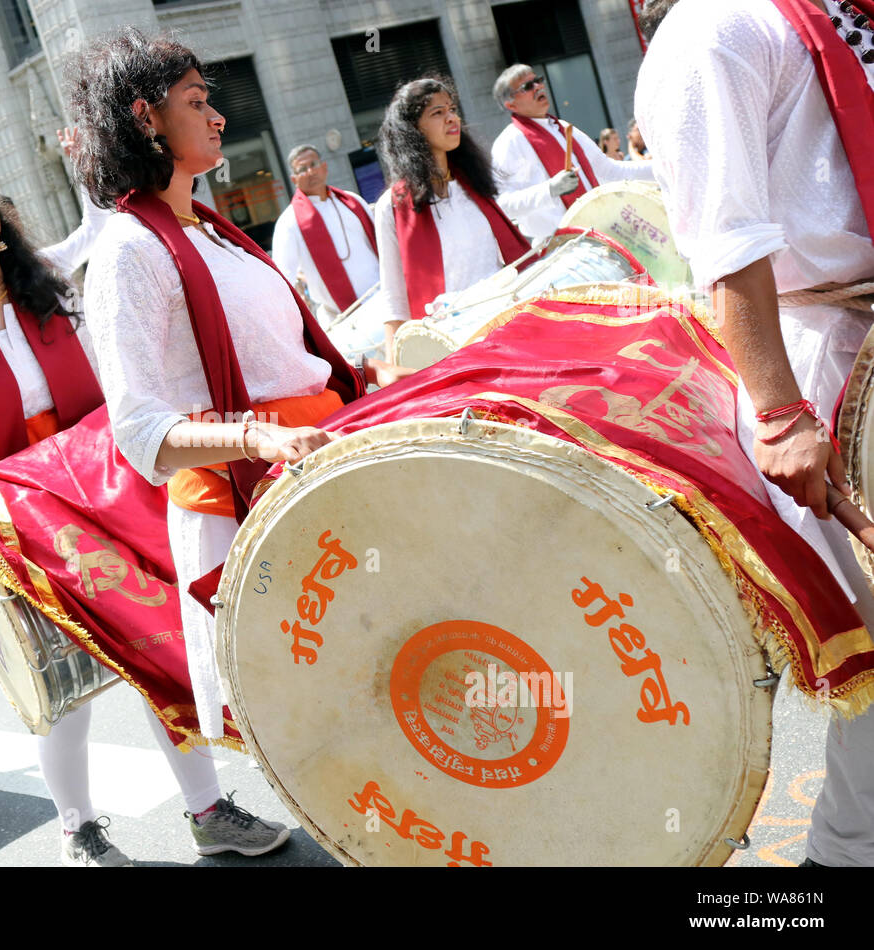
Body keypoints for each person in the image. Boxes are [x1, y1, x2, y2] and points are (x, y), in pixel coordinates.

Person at [0, 166, 283, 867]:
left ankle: (208, 811)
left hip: (114, 489)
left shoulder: (63, 293)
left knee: (159, 649)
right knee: (61, 687)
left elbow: (132, 384)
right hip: (20, 522)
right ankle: (80, 828)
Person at [71, 26, 414, 840]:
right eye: (197, 103)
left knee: (393, 679)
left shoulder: (216, 230)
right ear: (146, 118)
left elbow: (290, 360)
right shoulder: (128, 250)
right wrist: (260, 440)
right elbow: (140, 429)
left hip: (320, 472)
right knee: (328, 719)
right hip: (248, 500)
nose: (219, 117)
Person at [636, 0, 874, 866]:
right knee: (873, 663)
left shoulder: (848, 17)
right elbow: (725, 239)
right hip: (828, 368)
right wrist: (779, 411)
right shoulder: (718, 29)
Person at [374, 75, 532, 357]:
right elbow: (394, 297)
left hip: (507, 325)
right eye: (437, 113)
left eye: (452, 109)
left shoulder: (475, 184)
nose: (451, 118)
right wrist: (396, 367)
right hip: (454, 344)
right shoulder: (392, 206)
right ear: (413, 130)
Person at [490, 64, 654, 243]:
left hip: (599, 232)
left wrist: (666, 167)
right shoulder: (509, 142)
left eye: (537, 81)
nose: (538, 87)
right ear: (511, 104)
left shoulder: (564, 128)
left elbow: (610, 172)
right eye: (527, 87)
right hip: (557, 247)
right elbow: (502, 205)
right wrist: (550, 189)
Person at [270, 144, 379, 326]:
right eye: (302, 169)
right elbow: (283, 278)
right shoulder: (288, 222)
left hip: (382, 300)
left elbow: (383, 244)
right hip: (344, 320)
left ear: (325, 167)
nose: (311, 171)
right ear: (294, 179)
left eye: (314, 164)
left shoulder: (353, 201)